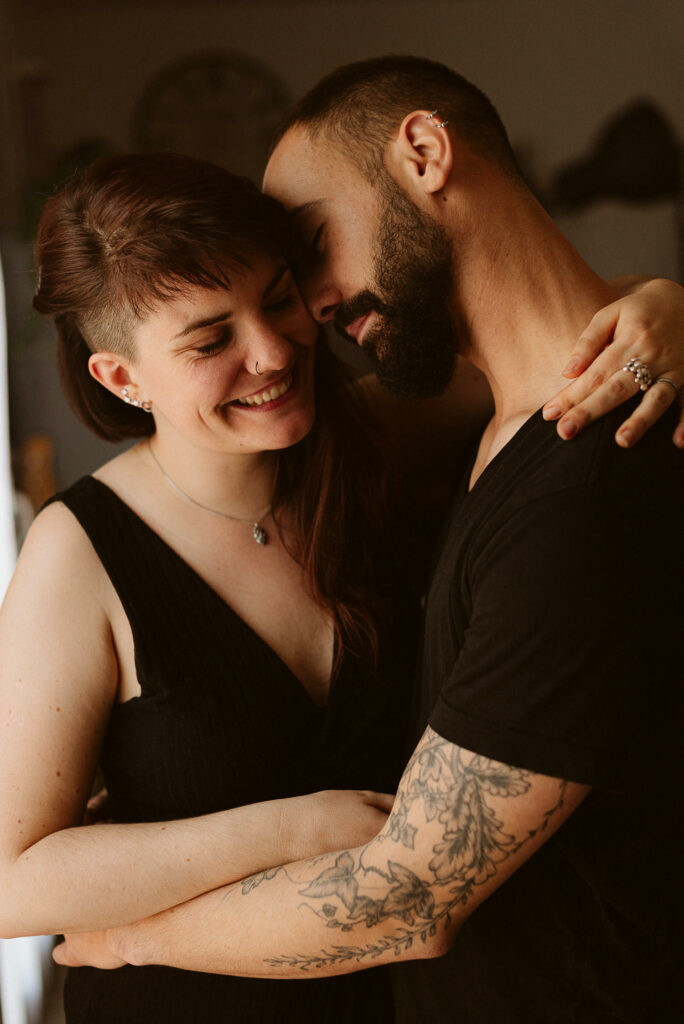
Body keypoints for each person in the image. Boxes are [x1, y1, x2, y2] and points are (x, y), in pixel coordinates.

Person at [54, 58, 684, 1022]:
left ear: (426, 152)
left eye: (303, 256)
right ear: (120, 376)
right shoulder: (481, 425)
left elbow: (412, 895)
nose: (302, 317)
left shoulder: (559, 469)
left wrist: (134, 942)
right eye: (206, 336)